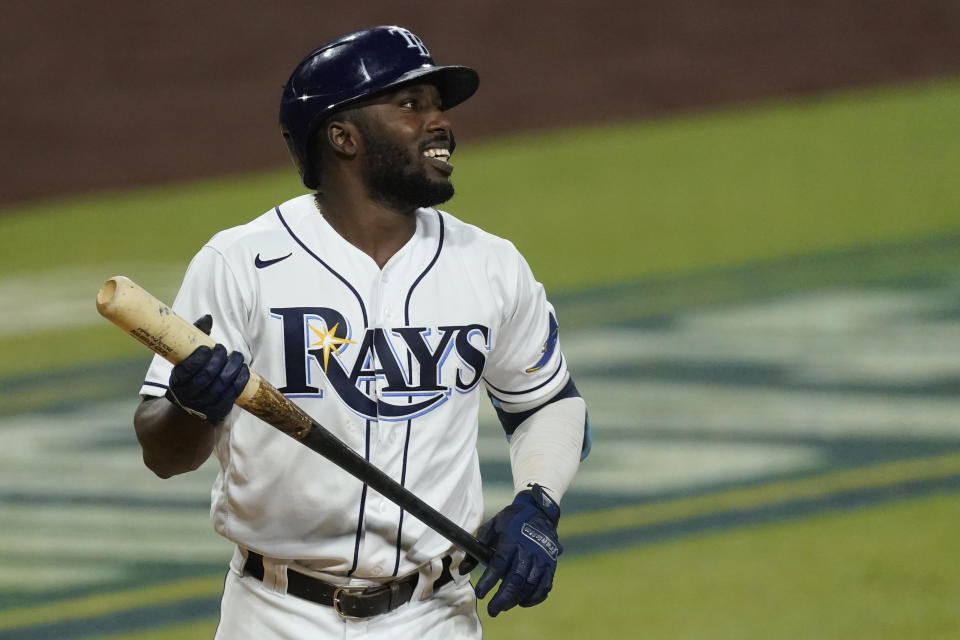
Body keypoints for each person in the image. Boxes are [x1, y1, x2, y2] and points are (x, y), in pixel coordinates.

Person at [133, 25, 589, 639]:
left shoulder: (489, 265)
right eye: (410, 105)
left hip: (436, 616)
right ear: (342, 137)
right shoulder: (239, 263)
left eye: (438, 106)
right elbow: (164, 453)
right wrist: (192, 404)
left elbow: (546, 403)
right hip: (274, 616)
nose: (440, 123)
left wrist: (539, 502)